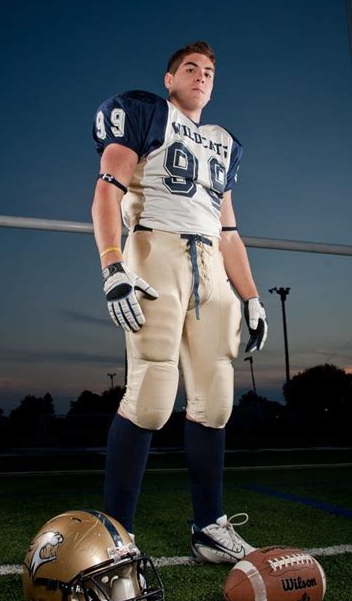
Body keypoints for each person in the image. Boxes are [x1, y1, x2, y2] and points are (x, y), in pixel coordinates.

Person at [91, 41, 268, 564]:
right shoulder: (146, 111)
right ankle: (117, 536)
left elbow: (230, 231)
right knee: (150, 396)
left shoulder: (222, 141)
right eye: (190, 68)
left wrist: (252, 297)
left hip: (212, 264)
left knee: (214, 403)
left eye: (209, 70)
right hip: (155, 249)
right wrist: (112, 265)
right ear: (170, 78)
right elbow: (106, 189)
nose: (201, 76)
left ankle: (209, 529)